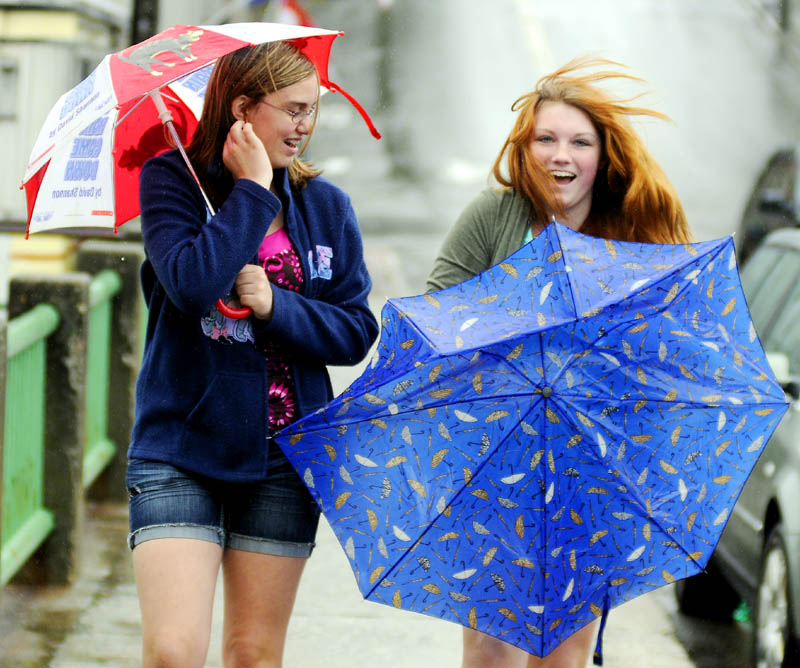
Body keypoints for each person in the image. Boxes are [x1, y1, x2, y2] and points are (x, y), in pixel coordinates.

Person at [426, 57, 691, 668]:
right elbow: (433, 325)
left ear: (603, 156)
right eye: (545, 138)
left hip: (592, 470)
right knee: (492, 651)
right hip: (495, 461)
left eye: (579, 141)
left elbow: (666, 351)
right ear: (525, 148)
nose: (559, 155)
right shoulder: (494, 217)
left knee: (563, 657)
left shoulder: (631, 232)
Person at [127, 41, 378, 668]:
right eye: (292, 109)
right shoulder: (171, 181)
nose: (305, 126)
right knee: (173, 651)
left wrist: (277, 306)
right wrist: (255, 191)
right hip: (181, 445)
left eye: (312, 110)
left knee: (253, 655)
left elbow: (354, 331)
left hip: (283, 459)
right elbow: (189, 285)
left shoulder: (327, 207)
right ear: (243, 108)